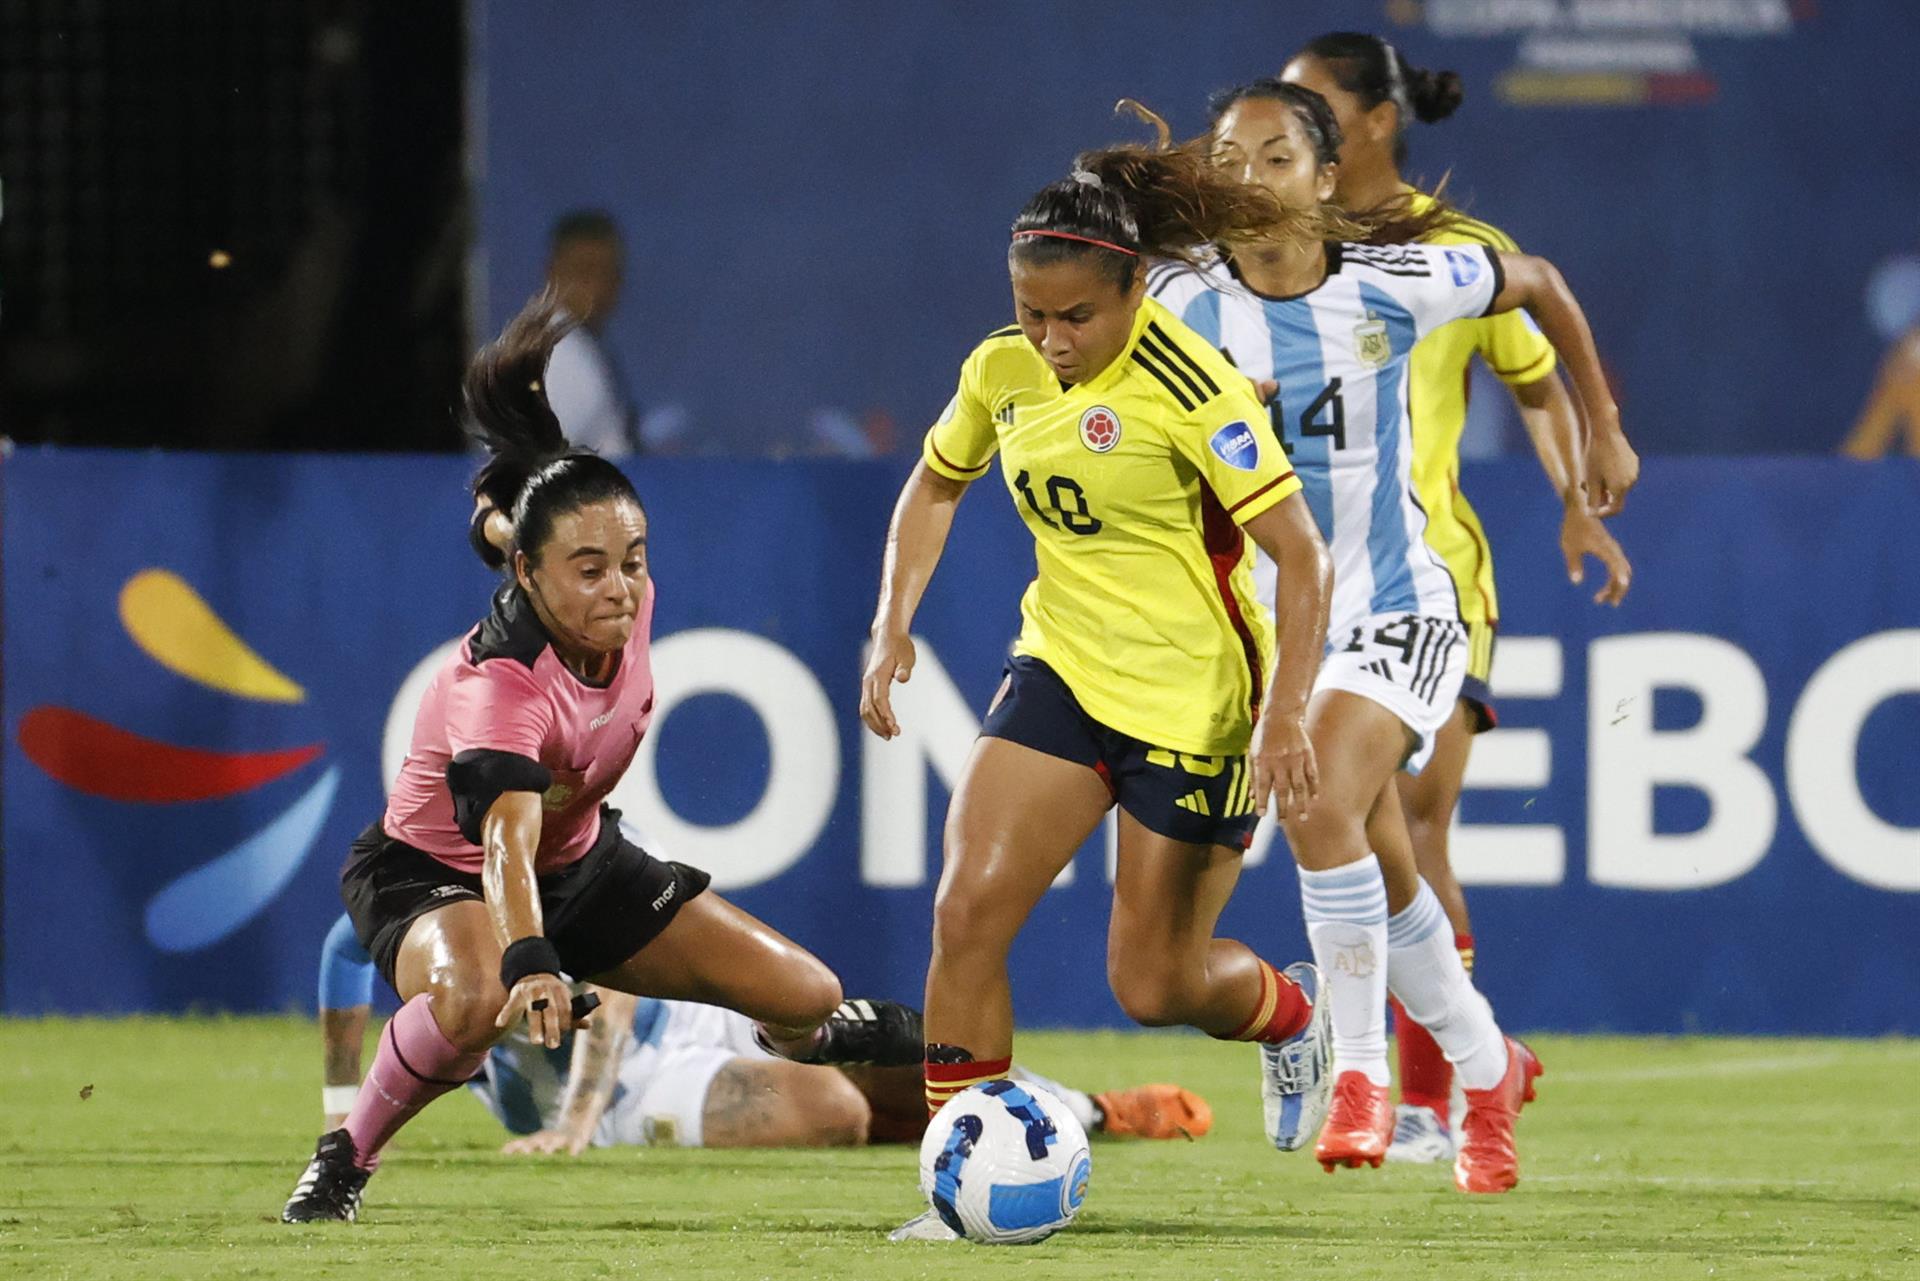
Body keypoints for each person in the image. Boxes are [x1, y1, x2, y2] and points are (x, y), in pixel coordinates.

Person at [282, 296, 916, 1223]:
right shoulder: (499, 683)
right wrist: (533, 961)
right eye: (589, 568)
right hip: (436, 877)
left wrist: (502, 522)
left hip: (578, 864)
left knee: (807, 992)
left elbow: (516, 531)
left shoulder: (617, 589)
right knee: (475, 996)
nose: (620, 586)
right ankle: (345, 1157)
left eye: (633, 558)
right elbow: (502, 843)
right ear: (531, 578)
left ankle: (828, 1032)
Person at [859, 147, 1344, 1231]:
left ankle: (1290, 1014)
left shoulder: (1197, 388)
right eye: (1031, 313)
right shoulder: (1003, 369)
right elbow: (935, 486)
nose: (1051, 340)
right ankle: (952, 1189)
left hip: (1196, 704)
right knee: (968, 909)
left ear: (1135, 290)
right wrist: (893, 622)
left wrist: (1284, 713)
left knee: (1156, 985)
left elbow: (1301, 558)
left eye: (1076, 316)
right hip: (1063, 669)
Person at [1148, 78, 1619, 1191]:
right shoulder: (1177, 300)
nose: (1250, 180)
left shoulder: (1401, 281)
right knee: (1383, 861)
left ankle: (1360, 1073)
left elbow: (1540, 282)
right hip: (1274, 632)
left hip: (1401, 606)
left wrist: (1602, 433)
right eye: (1231, 158)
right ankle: (1485, 1061)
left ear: (1325, 177)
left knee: (1316, 799)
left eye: (1276, 158)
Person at [1278, 33, 1635, 1162]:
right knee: (1366, 829)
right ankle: (1474, 1067)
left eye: (1309, 104)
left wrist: (1581, 491)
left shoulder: (1454, 254)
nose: (1287, 126)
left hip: (1426, 583)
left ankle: (1423, 1100)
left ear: (1375, 120)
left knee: (1417, 827)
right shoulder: (1277, 252)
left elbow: (1534, 382)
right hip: (1299, 588)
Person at [314, 911, 1215, 1151]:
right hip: (629, 1093)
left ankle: (1089, 1112)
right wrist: (344, 1107)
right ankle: (942, 1148)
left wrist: (569, 1124)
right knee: (832, 1107)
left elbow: (615, 989)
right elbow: (339, 950)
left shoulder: (543, 841)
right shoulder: (435, 896)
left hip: (679, 1020)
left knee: (904, 1048)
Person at [541, 210, 645, 457]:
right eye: (583, 272)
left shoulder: (581, 348)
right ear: (552, 273)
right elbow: (536, 469)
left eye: (607, 273)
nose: (595, 287)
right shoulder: (558, 357)